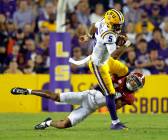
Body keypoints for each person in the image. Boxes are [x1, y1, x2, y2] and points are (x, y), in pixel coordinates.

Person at [10, 72, 145, 130]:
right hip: (88, 95)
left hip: (90, 108)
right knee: (56, 97)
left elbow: (114, 108)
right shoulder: (119, 76)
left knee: (64, 125)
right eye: (133, 80)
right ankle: (27, 91)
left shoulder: (129, 97)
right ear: (130, 77)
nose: (133, 83)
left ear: (138, 87)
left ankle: (48, 122)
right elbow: (105, 75)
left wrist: (116, 99)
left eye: (136, 83)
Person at [69, 9, 131, 130]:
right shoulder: (109, 35)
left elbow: (93, 25)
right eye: (116, 25)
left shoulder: (103, 21)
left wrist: (89, 36)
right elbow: (114, 55)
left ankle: (112, 86)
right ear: (110, 23)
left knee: (124, 70)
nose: (118, 27)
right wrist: (125, 45)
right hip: (99, 64)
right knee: (110, 93)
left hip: (106, 60)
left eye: (119, 25)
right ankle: (115, 123)